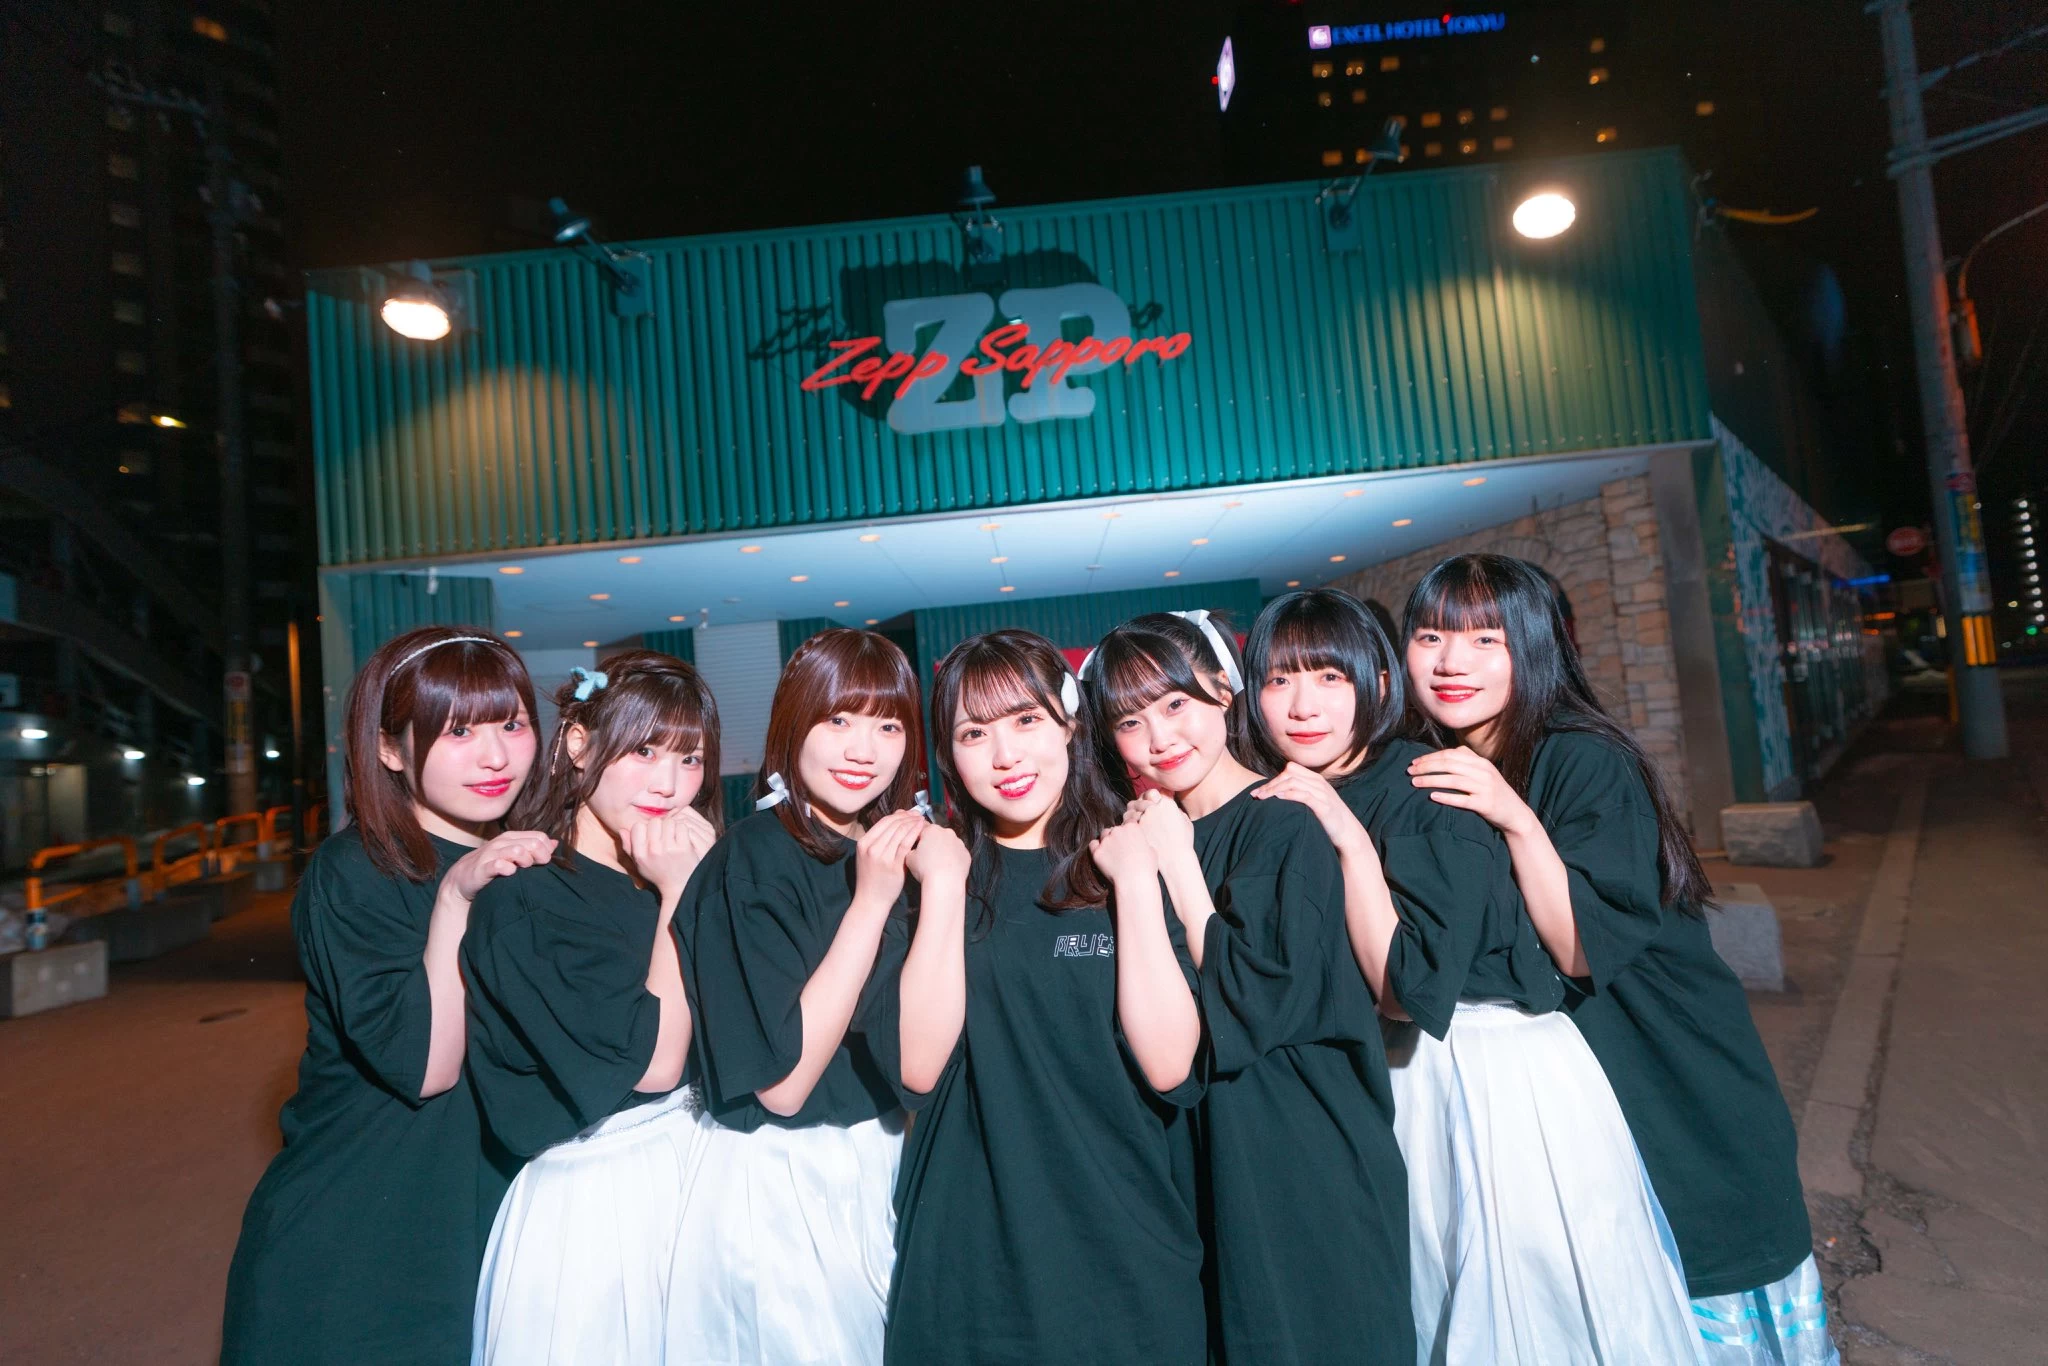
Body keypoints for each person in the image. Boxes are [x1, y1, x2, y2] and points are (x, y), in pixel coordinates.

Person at [1242, 587, 1695, 1364]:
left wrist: (1349, 841)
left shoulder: (1429, 787)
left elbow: (1404, 993)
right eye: (1279, 680)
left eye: (1329, 677)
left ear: (1378, 682)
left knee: (1527, 1307)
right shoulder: (1295, 793)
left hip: (1491, 1076)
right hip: (1396, 1078)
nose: (1302, 705)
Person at [1405, 553, 1835, 1364]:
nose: (1452, 661)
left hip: (1666, 1067)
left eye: (1486, 639)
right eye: (1430, 636)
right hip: (1570, 1088)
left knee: (1694, 1289)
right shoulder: (1435, 759)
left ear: (1534, 646)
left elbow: (1577, 948)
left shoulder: (1582, 756)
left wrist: (1515, 818)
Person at [1086, 610, 1413, 1366]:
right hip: (1202, 1153)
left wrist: (1178, 866)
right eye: (1130, 721)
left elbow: (1251, 1001)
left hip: (1304, 1148)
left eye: (1176, 704)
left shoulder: (1284, 821)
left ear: (1224, 691)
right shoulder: (1138, 841)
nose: (1160, 737)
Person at [221, 628, 554, 1366]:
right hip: (360, 1250)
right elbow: (427, 1067)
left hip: (483, 1227)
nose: (496, 756)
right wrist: (455, 903)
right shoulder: (356, 872)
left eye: (512, 724)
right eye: (458, 732)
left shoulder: (526, 862)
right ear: (389, 749)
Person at [886, 630, 1206, 1366]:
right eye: (974, 733)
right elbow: (917, 1070)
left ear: (1069, 724)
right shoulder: (933, 874)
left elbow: (1170, 1065)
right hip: (971, 1273)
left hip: (1129, 1260)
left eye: (1026, 720)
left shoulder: (1133, 858)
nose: (1005, 755)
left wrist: (1134, 883)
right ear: (948, 755)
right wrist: (945, 886)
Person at [673, 628, 940, 1366]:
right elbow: (784, 1085)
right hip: (787, 1183)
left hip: (887, 1161)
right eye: (838, 719)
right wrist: (872, 902)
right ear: (793, 725)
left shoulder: (902, 848)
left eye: (888, 726)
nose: (863, 749)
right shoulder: (754, 857)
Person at [463, 651, 719, 1364]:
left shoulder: (663, 872)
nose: (669, 784)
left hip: (702, 1180)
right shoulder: (530, 897)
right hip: (598, 1205)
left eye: (691, 758)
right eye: (644, 751)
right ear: (578, 744)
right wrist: (682, 893)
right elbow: (656, 1064)